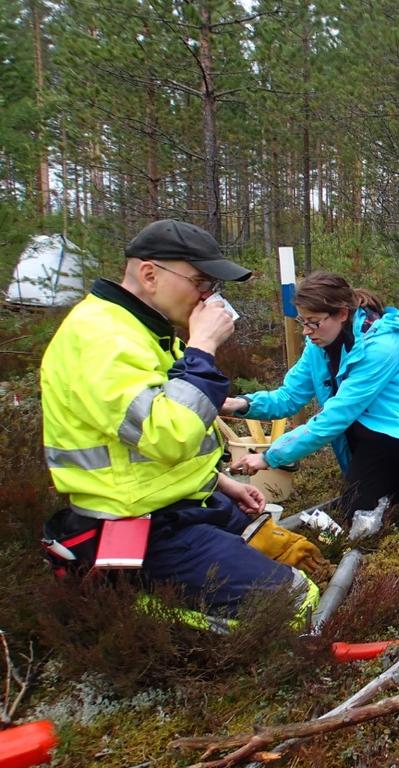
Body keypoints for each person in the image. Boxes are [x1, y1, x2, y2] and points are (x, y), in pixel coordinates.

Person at [40, 219, 319, 621]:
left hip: (175, 504)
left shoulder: (145, 331)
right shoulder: (101, 339)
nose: (209, 297)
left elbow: (155, 437)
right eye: (201, 282)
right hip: (137, 524)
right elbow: (168, 436)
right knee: (294, 601)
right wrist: (202, 346)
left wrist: (218, 483)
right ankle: (125, 597)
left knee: (278, 546)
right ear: (150, 274)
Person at [224, 271, 399, 521]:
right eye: (302, 322)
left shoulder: (382, 346)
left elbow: (335, 417)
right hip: (378, 432)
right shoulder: (317, 346)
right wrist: (240, 404)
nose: (307, 331)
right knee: (357, 509)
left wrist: (269, 457)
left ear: (341, 313)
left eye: (314, 322)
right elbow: (289, 396)